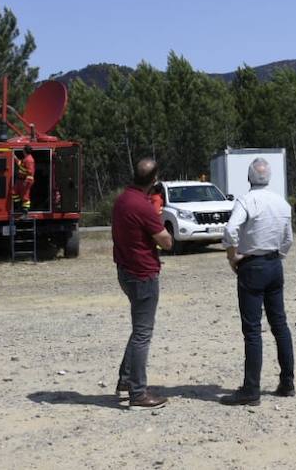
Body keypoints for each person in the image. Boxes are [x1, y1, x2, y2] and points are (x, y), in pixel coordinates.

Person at [221, 156, 295, 406]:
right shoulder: (282, 203)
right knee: (280, 325)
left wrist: (233, 257)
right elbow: (288, 239)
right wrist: (278, 256)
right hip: (275, 264)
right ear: (269, 177)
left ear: (249, 178)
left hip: (252, 265)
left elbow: (230, 230)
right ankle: (287, 382)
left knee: (252, 330)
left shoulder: (247, 200)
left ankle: (251, 389)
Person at [111, 157, 174, 408]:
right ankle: (138, 393)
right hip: (143, 274)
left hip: (125, 271)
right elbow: (166, 242)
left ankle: (126, 381)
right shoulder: (143, 206)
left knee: (139, 329)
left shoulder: (122, 200)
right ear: (154, 179)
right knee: (142, 334)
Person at [11, 147, 35, 214]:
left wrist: (27, 181)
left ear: (25, 151)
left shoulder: (29, 160)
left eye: (23, 150)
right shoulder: (26, 159)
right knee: (14, 192)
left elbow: (30, 172)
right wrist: (15, 158)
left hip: (25, 180)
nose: (22, 151)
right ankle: (19, 207)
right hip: (20, 180)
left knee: (25, 196)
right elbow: (20, 164)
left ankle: (25, 210)